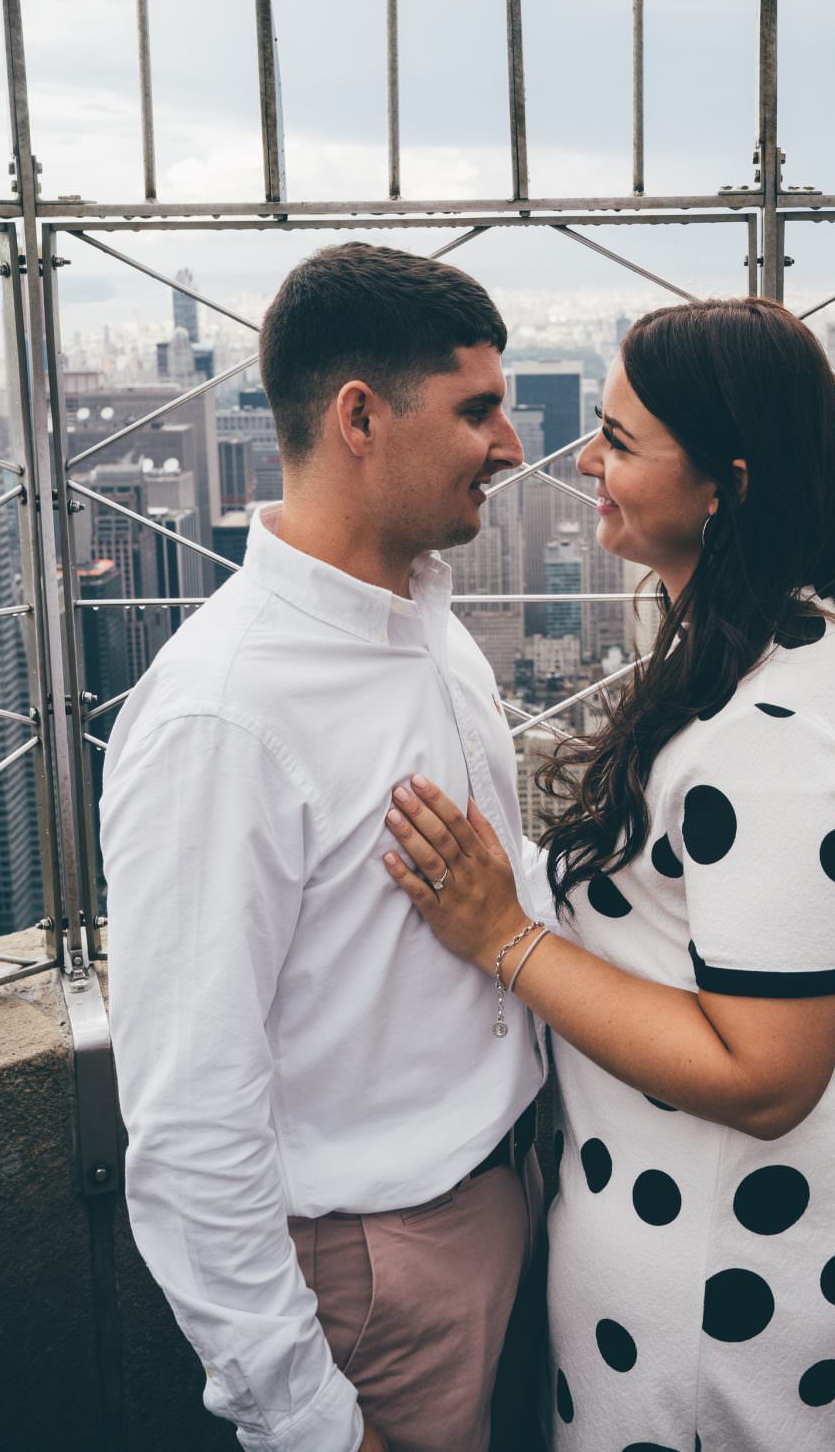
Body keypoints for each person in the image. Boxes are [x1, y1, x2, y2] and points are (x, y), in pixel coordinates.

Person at [381, 295, 835, 1451]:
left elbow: (769, 1073)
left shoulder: (768, 734)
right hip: (733, 1267)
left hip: (713, 1312)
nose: (586, 460)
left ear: (726, 482)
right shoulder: (797, 650)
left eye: (622, 442)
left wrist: (503, 938)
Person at [101, 243, 551, 1452]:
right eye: (478, 410)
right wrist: (306, 1420)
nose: (512, 447)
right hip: (377, 1280)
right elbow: (192, 1120)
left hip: (502, 1204)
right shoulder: (223, 714)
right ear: (360, 416)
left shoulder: (428, 627)